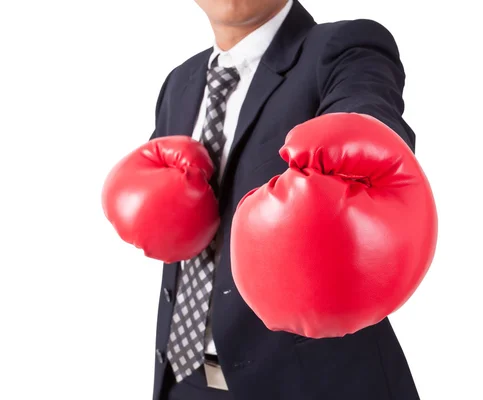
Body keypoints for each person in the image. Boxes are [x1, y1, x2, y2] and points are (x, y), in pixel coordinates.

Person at [150, 0, 420, 398]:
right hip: (182, 379)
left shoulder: (343, 48)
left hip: (310, 384)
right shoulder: (180, 82)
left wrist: (361, 140)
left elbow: (367, 114)